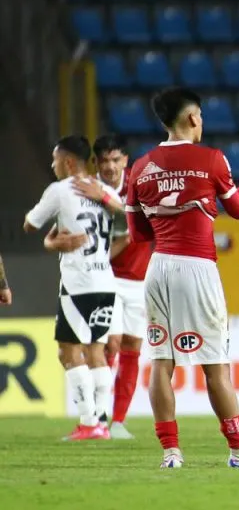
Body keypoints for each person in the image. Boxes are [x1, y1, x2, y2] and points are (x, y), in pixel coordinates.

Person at [125, 87, 239, 469]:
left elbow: (139, 235)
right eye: (201, 116)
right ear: (193, 118)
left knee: (162, 360)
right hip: (197, 267)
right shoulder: (211, 159)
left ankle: (171, 453)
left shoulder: (141, 167)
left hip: (158, 267)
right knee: (215, 365)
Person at [24, 135, 119, 441]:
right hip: (105, 280)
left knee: (67, 352)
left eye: (54, 160)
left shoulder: (59, 190)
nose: (52, 166)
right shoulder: (103, 190)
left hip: (77, 283)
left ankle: (89, 422)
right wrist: (57, 237)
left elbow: (30, 223)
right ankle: (100, 423)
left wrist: (51, 238)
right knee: (96, 351)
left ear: (66, 162)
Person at [59, 134, 152, 440]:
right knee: (108, 345)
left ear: (126, 160)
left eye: (116, 160)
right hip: (106, 278)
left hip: (140, 280)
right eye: (105, 161)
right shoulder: (89, 191)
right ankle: (97, 416)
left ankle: (119, 421)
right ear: (96, 163)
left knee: (132, 349)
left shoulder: (139, 186)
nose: (111, 167)